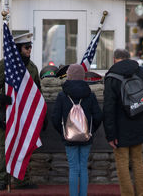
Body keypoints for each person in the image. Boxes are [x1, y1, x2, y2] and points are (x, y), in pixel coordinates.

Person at [0, 32, 40, 190]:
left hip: (26, 114)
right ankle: (3, 179)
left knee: (25, 145)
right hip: (9, 112)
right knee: (8, 146)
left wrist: (41, 115)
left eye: (30, 47)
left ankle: (22, 180)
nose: (29, 50)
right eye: (26, 47)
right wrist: (0, 97)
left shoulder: (32, 67)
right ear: (17, 48)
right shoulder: (5, 64)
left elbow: (38, 91)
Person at [103, 49, 143, 196]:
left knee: (122, 164)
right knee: (138, 162)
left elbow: (109, 108)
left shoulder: (111, 76)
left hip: (120, 128)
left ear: (114, 59)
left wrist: (110, 135)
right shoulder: (139, 71)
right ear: (128, 58)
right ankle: (141, 194)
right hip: (140, 121)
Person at [52, 64, 103, 196]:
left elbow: (55, 118)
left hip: (69, 138)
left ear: (68, 76)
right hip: (86, 137)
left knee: (73, 168)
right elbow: (98, 116)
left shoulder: (62, 95)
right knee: (83, 168)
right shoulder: (90, 95)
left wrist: (64, 132)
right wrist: (90, 131)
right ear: (83, 77)